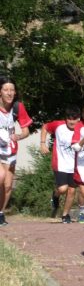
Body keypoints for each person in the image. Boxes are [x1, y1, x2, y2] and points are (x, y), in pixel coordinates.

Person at [41, 105, 82, 224]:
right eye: (69, 118)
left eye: (74, 118)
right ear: (66, 119)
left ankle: (65, 215)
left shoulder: (82, 129)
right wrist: (43, 143)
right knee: (63, 189)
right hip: (60, 163)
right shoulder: (58, 125)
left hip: (75, 166)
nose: (71, 121)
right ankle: (55, 194)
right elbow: (45, 127)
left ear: (79, 118)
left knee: (72, 191)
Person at [0, 77, 32, 226]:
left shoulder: (18, 107)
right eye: (6, 90)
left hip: (10, 149)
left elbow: (26, 131)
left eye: (12, 90)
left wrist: (17, 136)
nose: (9, 93)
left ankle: (0, 213)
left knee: (7, 185)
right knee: (0, 176)